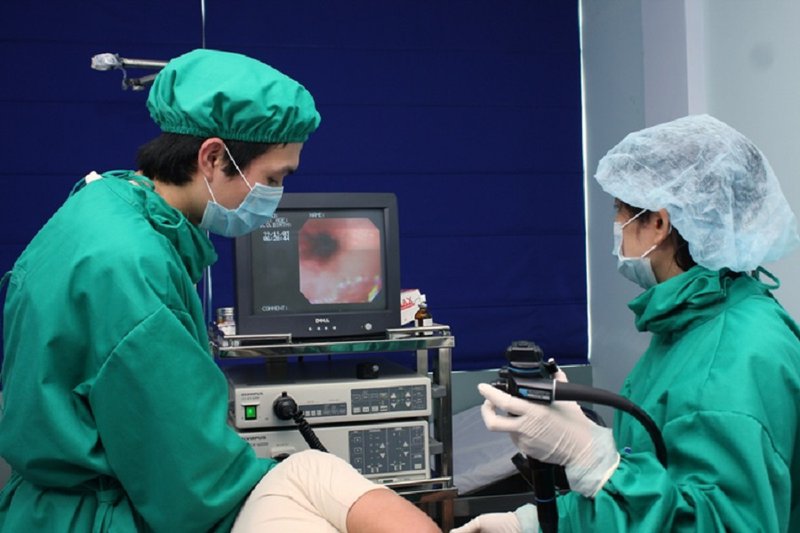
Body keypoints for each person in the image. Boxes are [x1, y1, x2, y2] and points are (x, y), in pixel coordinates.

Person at [0, 49, 440, 533]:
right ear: (212, 158)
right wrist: (294, 487)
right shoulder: (131, 269)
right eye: (272, 179)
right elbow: (191, 481)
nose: (274, 199)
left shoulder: (106, 203)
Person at [454, 114, 800, 532]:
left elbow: (719, 524)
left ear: (659, 223)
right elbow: (659, 488)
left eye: (620, 210)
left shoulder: (733, 356)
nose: (616, 226)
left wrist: (592, 460)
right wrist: (537, 523)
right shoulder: (694, 323)